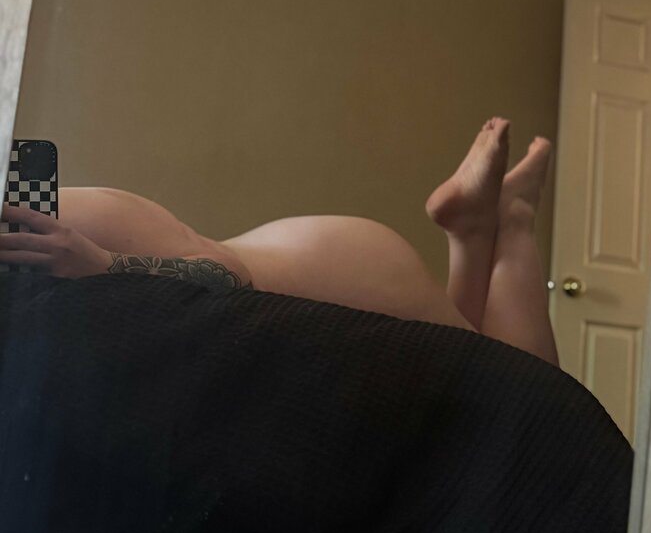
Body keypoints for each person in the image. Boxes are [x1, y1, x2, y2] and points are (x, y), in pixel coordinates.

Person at [0, 119, 557, 363]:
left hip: (341, 282)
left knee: (532, 396)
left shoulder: (30, 225)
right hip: (329, 263)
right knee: (478, 372)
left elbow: (224, 276)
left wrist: (106, 267)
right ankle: (471, 229)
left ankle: (514, 220)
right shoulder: (25, 211)